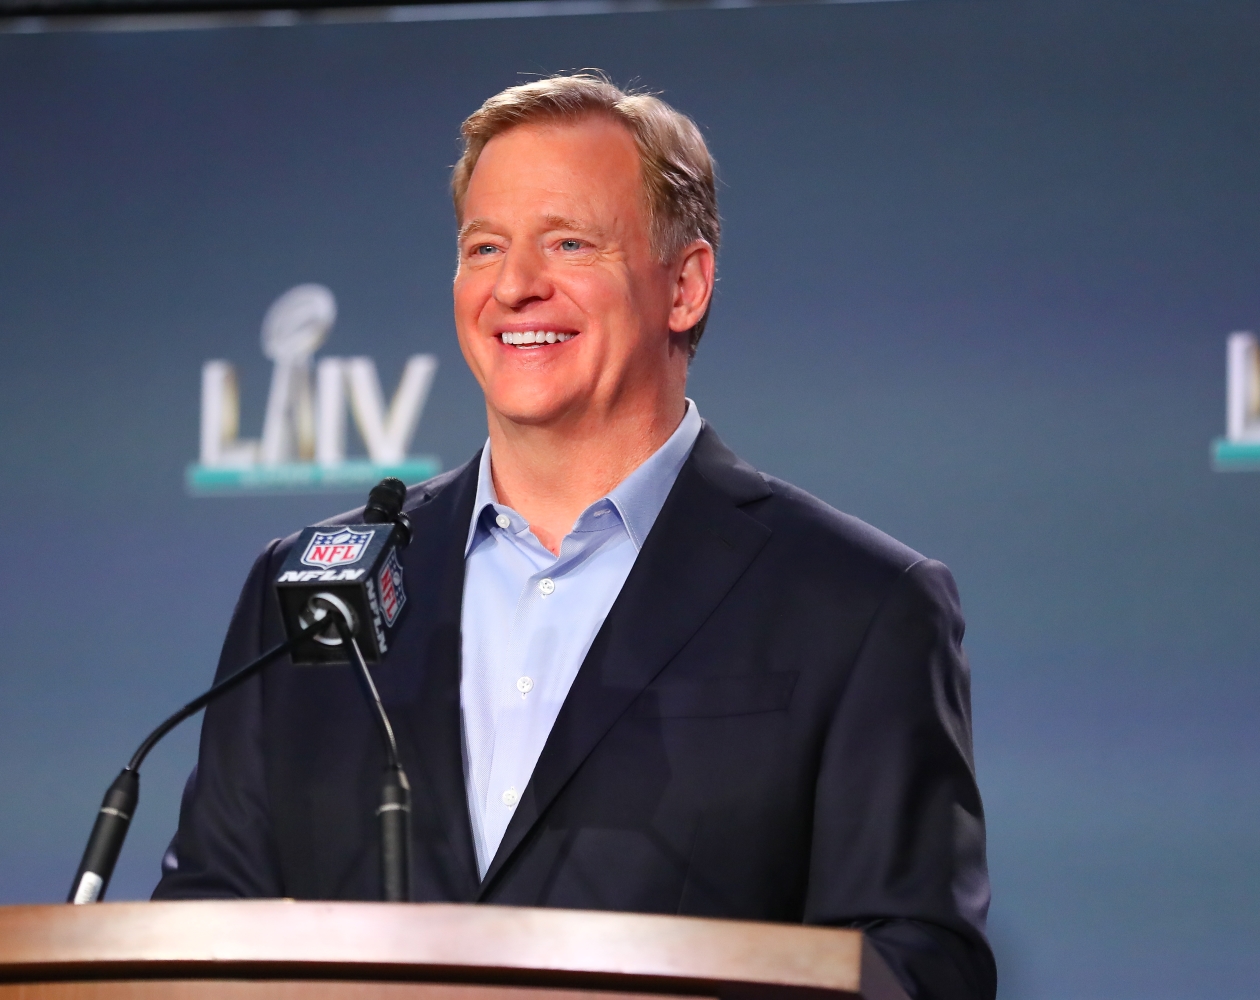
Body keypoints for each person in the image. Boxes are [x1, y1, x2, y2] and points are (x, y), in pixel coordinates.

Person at [155, 74, 994, 1000]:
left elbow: (915, 967)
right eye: (484, 247)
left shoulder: (857, 604)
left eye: (569, 243)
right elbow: (207, 927)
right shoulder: (310, 591)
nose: (515, 286)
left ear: (684, 286)